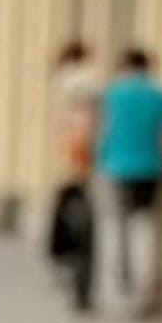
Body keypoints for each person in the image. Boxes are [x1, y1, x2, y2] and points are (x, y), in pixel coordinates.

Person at [93, 45, 162, 320]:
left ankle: (115, 293)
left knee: (113, 229)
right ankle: (145, 294)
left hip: (114, 167)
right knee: (146, 229)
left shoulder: (111, 95)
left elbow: (102, 132)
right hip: (151, 168)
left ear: (123, 66)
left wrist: (97, 162)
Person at [48, 36, 100, 305]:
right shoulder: (84, 82)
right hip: (82, 154)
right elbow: (84, 120)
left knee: (73, 215)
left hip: (73, 153)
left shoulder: (67, 81)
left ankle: (71, 268)